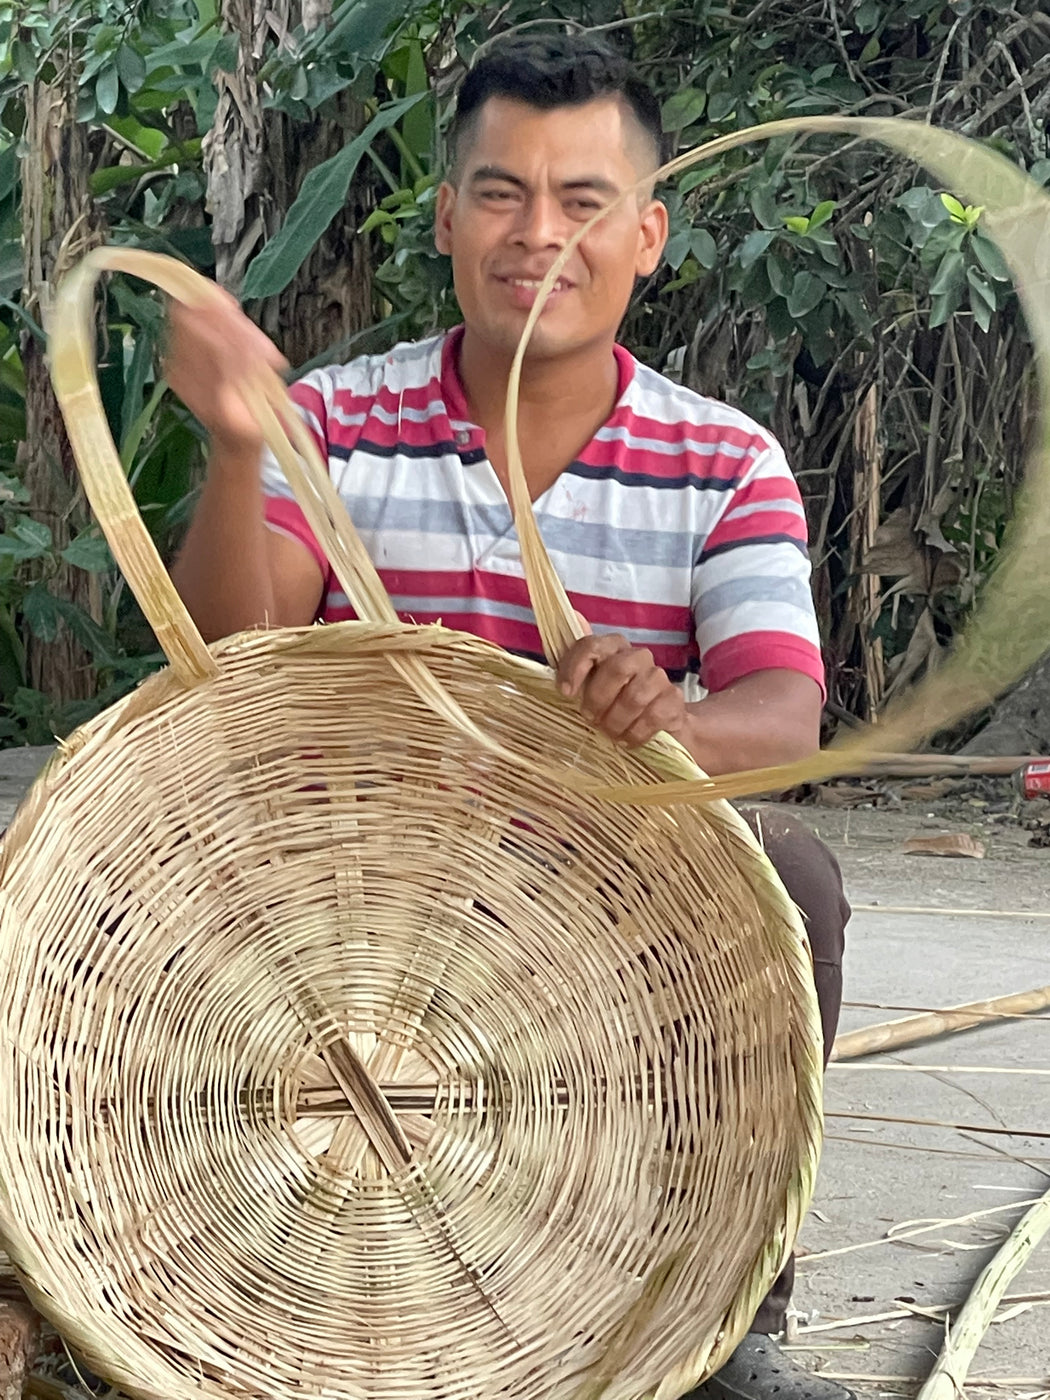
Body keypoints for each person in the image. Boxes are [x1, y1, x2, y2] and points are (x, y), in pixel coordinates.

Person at [166, 31, 852, 1400]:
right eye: (500, 192)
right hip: (345, 883)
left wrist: (667, 719)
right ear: (445, 216)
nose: (539, 234)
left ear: (645, 235)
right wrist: (241, 449)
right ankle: (170, 1264)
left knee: (794, 879)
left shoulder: (721, 459)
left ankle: (722, 1326)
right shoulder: (333, 422)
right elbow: (222, 657)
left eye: (582, 201)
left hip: (591, 889)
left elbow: (779, 719)